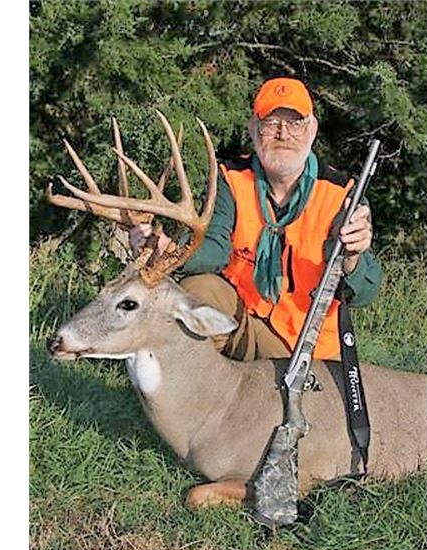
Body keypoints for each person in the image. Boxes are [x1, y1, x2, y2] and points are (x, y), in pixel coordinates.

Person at [131, 77, 382, 361]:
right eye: (271, 123)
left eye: (295, 123)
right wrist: (167, 249)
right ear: (253, 128)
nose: (283, 134)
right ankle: (192, 383)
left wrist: (352, 257)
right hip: (243, 323)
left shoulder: (342, 194)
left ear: (312, 129)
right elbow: (215, 249)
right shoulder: (231, 178)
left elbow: (365, 292)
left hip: (308, 346)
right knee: (198, 290)